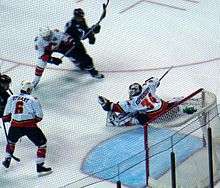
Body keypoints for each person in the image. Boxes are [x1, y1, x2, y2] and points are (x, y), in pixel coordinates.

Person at [2, 80, 52, 175]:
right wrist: (31, 120)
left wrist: (13, 119)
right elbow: (39, 116)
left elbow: (6, 116)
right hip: (30, 127)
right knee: (42, 144)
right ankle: (40, 166)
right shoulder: (33, 99)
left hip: (15, 126)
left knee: (11, 142)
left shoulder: (11, 98)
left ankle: (7, 159)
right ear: (29, 89)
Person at [98, 77, 174, 126]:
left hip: (153, 117)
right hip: (164, 106)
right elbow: (155, 80)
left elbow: (113, 107)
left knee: (136, 115)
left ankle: (122, 122)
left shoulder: (133, 103)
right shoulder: (148, 86)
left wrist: (105, 103)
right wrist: (154, 83)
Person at [64, 8, 104, 79]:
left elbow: (85, 31)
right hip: (69, 44)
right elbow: (67, 36)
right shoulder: (71, 25)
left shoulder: (82, 21)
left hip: (77, 42)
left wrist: (92, 34)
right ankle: (93, 73)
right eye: (79, 17)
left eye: (82, 17)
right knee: (86, 59)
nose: (81, 18)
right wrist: (90, 32)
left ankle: (80, 63)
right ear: (75, 16)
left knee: (83, 53)